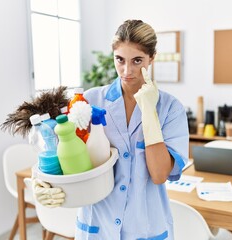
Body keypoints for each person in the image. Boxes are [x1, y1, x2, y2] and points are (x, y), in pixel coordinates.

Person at [33, 19, 189, 240]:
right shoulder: (88, 100)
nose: (127, 71)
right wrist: (39, 180)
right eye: (120, 60)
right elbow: (57, 149)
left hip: (146, 227)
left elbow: (159, 174)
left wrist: (149, 114)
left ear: (151, 58)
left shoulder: (170, 109)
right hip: (97, 225)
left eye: (137, 61)